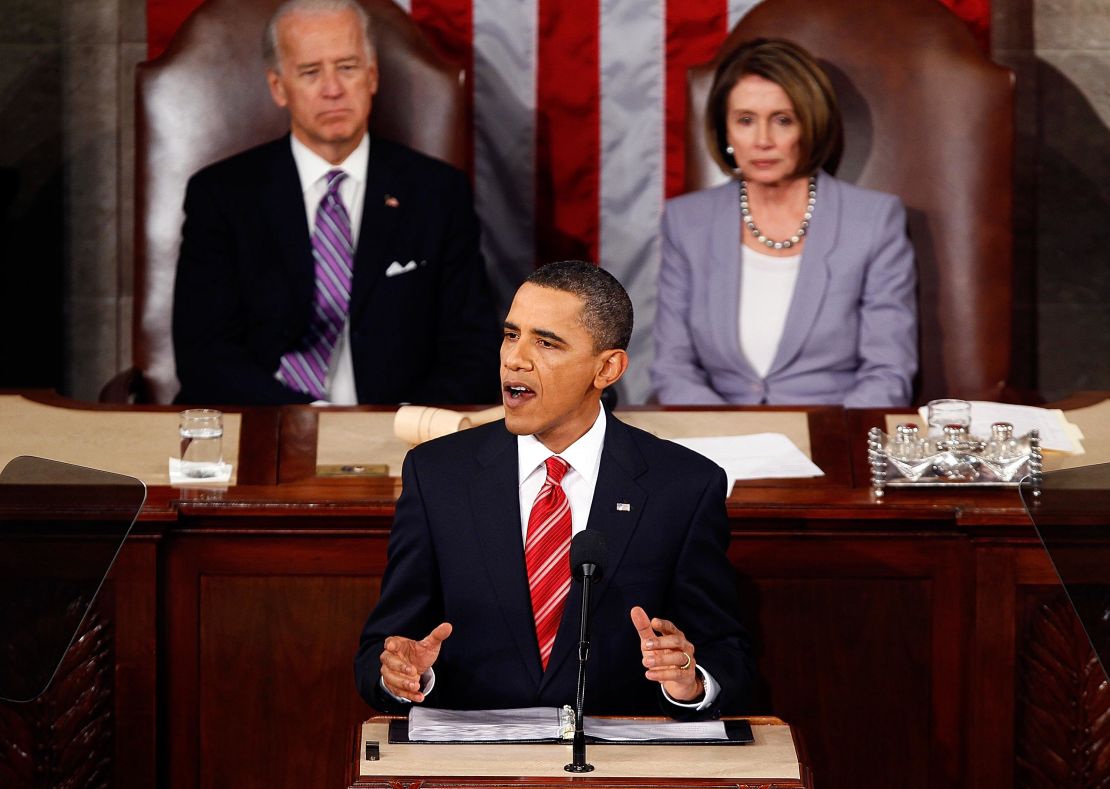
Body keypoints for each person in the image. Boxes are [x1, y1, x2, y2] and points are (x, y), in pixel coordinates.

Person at [354, 260, 753, 718]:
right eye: (510, 334)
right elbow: (380, 652)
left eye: (545, 342)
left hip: (617, 765)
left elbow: (728, 656)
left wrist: (688, 678)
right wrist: (401, 675)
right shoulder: (437, 475)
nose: (514, 358)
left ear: (607, 369)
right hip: (476, 766)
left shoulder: (682, 485)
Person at [172, 0, 500, 406]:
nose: (333, 89)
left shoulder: (438, 192)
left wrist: (405, 424)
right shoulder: (220, 195)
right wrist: (304, 422)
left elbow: (473, 347)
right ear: (278, 87)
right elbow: (204, 356)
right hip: (264, 427)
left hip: (398, 433)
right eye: (310, 72)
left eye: (347, 67)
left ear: (372, 75)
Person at [651, 38, 917, 408]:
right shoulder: (686, 222)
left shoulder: (873, 221)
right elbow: (672, 367)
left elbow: (888, 372)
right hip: (717, 439)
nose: (763, 140)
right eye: (745, 120)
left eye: (782, 120)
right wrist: (733, 438)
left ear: (810, 126)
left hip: (832, 436)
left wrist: (832, 443)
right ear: (725, 131)